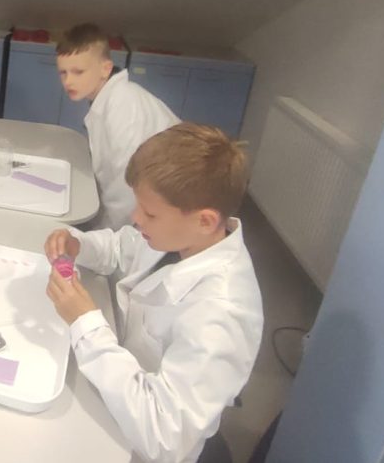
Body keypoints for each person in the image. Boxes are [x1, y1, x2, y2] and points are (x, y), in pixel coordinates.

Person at [44, 123, 263, 463]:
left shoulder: (220, 314)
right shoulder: (183, 237)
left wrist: (85, 324)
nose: (136, 217)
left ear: (205, 220)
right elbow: (122, 247)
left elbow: (163, 436)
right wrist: (80, 245)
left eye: (149, 213)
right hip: (119, 392)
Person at [56, 23, 179, 230]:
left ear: (105, 69)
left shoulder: (125, 105)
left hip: (167, 204)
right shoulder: (107, 98)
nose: (68, 81)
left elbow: (126, 189)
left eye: (78, 72)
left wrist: (101, 234)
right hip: (146, 202)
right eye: (63, 73)